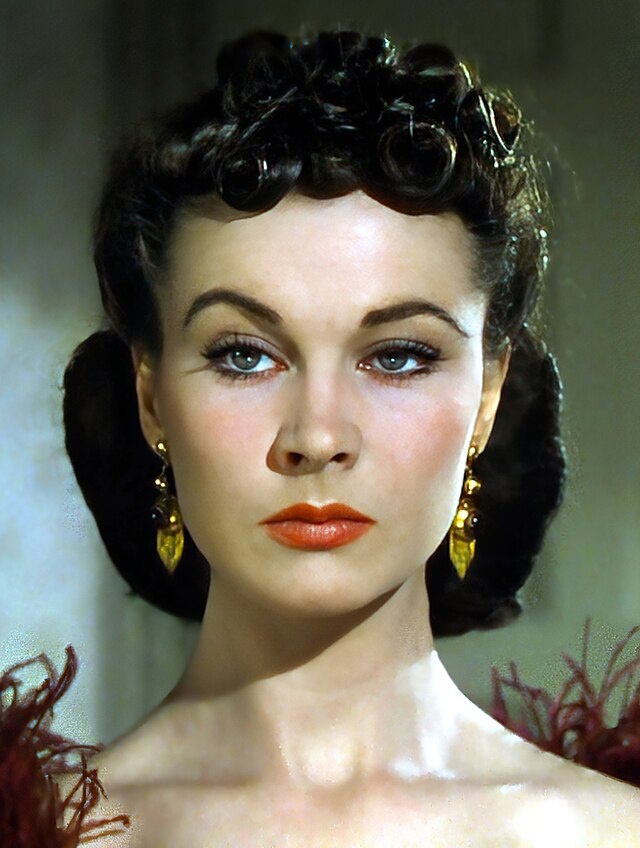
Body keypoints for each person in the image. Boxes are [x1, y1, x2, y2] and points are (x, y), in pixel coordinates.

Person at [60, 30, 640, 846]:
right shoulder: (45, 829)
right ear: (150, 398)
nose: (318, 436)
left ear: (487, 397)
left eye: (398, 356)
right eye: (244, 355)